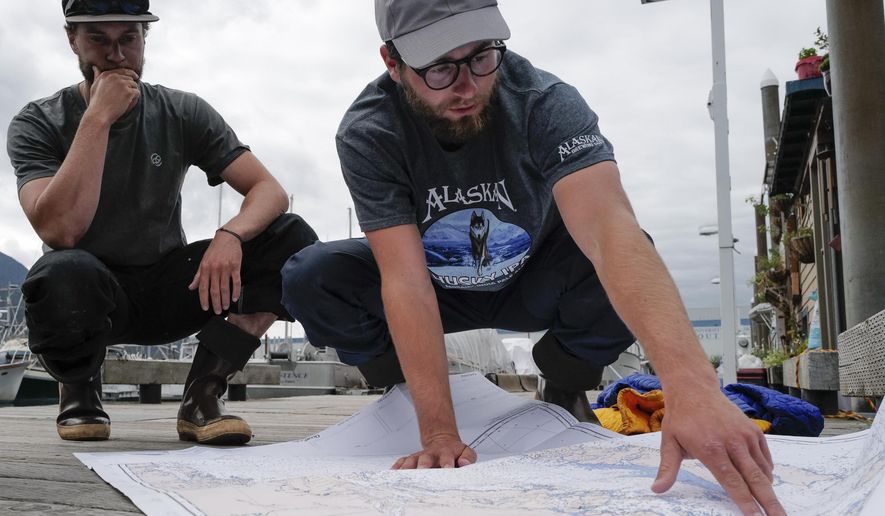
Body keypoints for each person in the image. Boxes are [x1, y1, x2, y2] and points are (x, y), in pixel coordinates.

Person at [281, 0, 786, 513]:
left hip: (533, 279)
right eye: (439, 67)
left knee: (631, 255)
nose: (468, 85)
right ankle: (404, 393)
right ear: (393, 63)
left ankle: (564, 386)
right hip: (434, 286)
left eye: (481, 55)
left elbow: (611, 230)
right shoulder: (369, 131)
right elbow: (405, 280)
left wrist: (692, 385)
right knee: (311, 276)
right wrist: (439, 433)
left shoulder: (545, 100)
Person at [6, 0, 317, 445]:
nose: (116, 56)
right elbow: (59, 231)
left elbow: (270, 190)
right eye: (98, 39)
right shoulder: (38, 122)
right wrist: (98, 117)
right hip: (92, 295)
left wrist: (230, 236)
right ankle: (78, 388)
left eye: (128, 39)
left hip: (174, 288)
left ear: (144, 38)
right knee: (61, 270)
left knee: (292, 238)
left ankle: (203, 394)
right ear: (71, 37)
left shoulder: (182, 110)